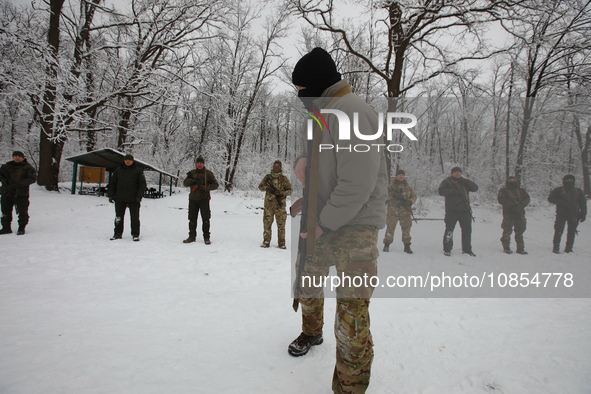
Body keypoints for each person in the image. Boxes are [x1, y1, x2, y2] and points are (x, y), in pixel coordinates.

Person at [289, 47, 388, 394]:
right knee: (309, 284)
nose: (298, 95)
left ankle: (349, 388)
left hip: (353, 228)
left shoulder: (354, 112)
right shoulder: (322, 113)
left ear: (315, 85)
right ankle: (311, 331)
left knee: (351, 320)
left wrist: (324, 222)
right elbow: (322, 157)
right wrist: (303, 159)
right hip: (322, 220)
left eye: (301, 88)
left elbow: (358, 182)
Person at [438, 167, 478, 256]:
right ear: (452, 173)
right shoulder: (447, 182)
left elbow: (475, 188)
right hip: (451, 211)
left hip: (465, 210)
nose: (457, 174)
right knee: (449, 230)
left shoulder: (464, 182)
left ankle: (467, 249)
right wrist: (454, 191)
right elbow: (441, 191)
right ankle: (447, 249)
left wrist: (466, 181)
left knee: (467, 231)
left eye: (459, 172)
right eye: (455, 172)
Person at [108, 154, 146, 241]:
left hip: (133, 198)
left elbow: (142, 185)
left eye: (129, 160)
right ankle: (117, 234)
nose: (127, 161)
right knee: (118, 217)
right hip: (119, 198)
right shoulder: (118, 170)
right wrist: (111, 194)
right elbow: (113, 183)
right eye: (126, 160)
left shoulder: (137, 171)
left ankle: (135, 234)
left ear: (132, 161)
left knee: (135, 218)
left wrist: (139, 196)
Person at [183, 156, 219, 245]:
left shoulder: (209, 174)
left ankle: (206, 237)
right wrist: (191, 181)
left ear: (203, 164)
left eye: (201, 163)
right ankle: (191, 237)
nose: (199, 164)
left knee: (206, 219)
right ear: (196, 164)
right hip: (193, 199)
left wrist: (206, 188)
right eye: (198, 163)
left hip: (204, 199)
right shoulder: (192, 173)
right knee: (192, 219)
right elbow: (185, 183)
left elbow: (216, 185)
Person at [0, 151, 37, 235]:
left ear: (22, 158)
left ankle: (21, 227)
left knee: (22, 211)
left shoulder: (28, 168)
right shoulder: (6, 166)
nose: (17, 158)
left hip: (21, 193)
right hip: (7, 192)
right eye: (15, 156)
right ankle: (6, 228)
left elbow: (32, 179)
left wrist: (19, 184)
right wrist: (3, 180)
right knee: (5, 211)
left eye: (19, 156)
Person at [548, 174, 587, 253]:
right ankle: (556, 247)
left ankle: (569, 248)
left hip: (574, 214)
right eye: (567, 180)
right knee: (559, 230)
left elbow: (583, 203)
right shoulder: (558, 190)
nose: (569, 181)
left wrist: (583, 214)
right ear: (564, 181)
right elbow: (550, 199)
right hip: (561, 214)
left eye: (571, 180)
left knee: (572, 232)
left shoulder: (578, 191)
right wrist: (561, 203)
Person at [258, 160, 292, 249]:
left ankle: (281, 243)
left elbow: (290, 190)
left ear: (280, 167)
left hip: (280, 206)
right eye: (275, 166)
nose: (276, 168)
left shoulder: (284, 179)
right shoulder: (268, 178)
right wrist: (268, 188)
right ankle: (266, 241)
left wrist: (282, 193)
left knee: (281, 225)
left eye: (278, 166)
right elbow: (260, 187)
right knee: (267, 224)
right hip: (269, 205)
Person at [383, 169, 417, 254]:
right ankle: (386, 244)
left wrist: (410, 202)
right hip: (393, 211)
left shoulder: (408, 187)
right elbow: (385, 195)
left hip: (405, 211)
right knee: (390, 228)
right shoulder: (391, 186)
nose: (401, 176)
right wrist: (393, 195)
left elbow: (414, 196)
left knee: (406, 228)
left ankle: (407, 245)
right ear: (396, 176)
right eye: (399, 175)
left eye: (402, 175)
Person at [497, 176, 530, 254]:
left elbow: (527, 198)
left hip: (520, 212)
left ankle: (520, 248)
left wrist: (521, 205)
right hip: (508, 213)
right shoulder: (503, 190)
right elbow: (501, 200)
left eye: (513, 180)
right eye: (510, 180)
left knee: (520, 230)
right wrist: (512, 205)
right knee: (507, 230)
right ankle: (506, 247)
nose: (512, 181)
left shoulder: (521, 191)